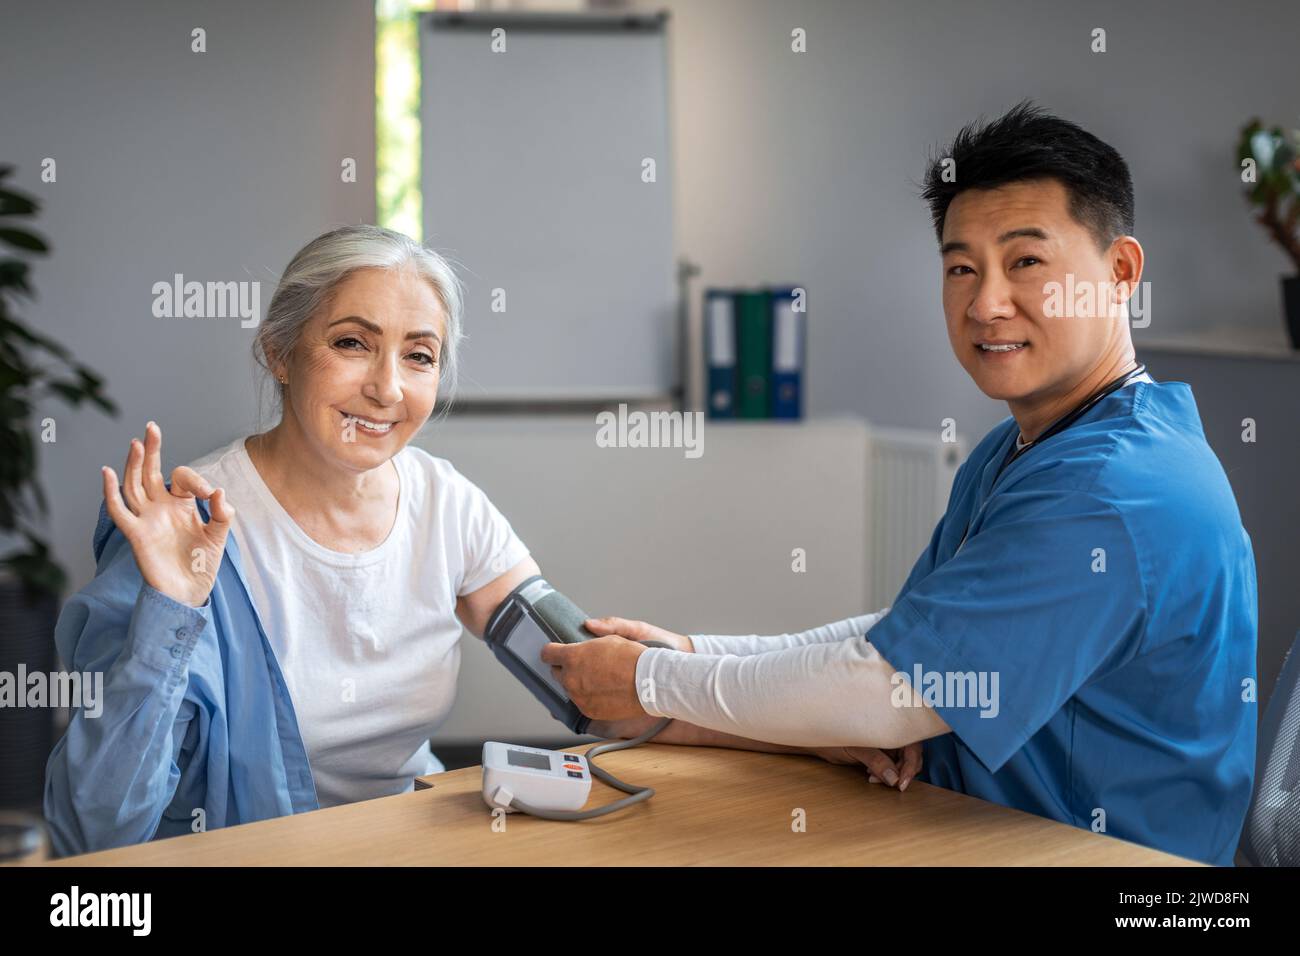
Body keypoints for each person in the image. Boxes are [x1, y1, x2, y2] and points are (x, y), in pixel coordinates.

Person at [542, 103, 1259, 867]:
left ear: (1119, 274)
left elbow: (887, 689)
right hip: (955, 821)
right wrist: (688, 651)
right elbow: (901, 639)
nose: (986, 303)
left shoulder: (1115, 489)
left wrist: (653, 683)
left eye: (1025, 262)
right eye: (961, 268)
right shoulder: (1023, 447)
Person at [42, 225, 545, 857]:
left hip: (405, 845)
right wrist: (170, 610)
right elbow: (93, 829)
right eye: (352, 343)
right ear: (280, 352)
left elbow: (580, 669)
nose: (387, 388)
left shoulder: (449, 504)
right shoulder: (184, 529)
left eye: (419, 356)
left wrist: (686, 668)